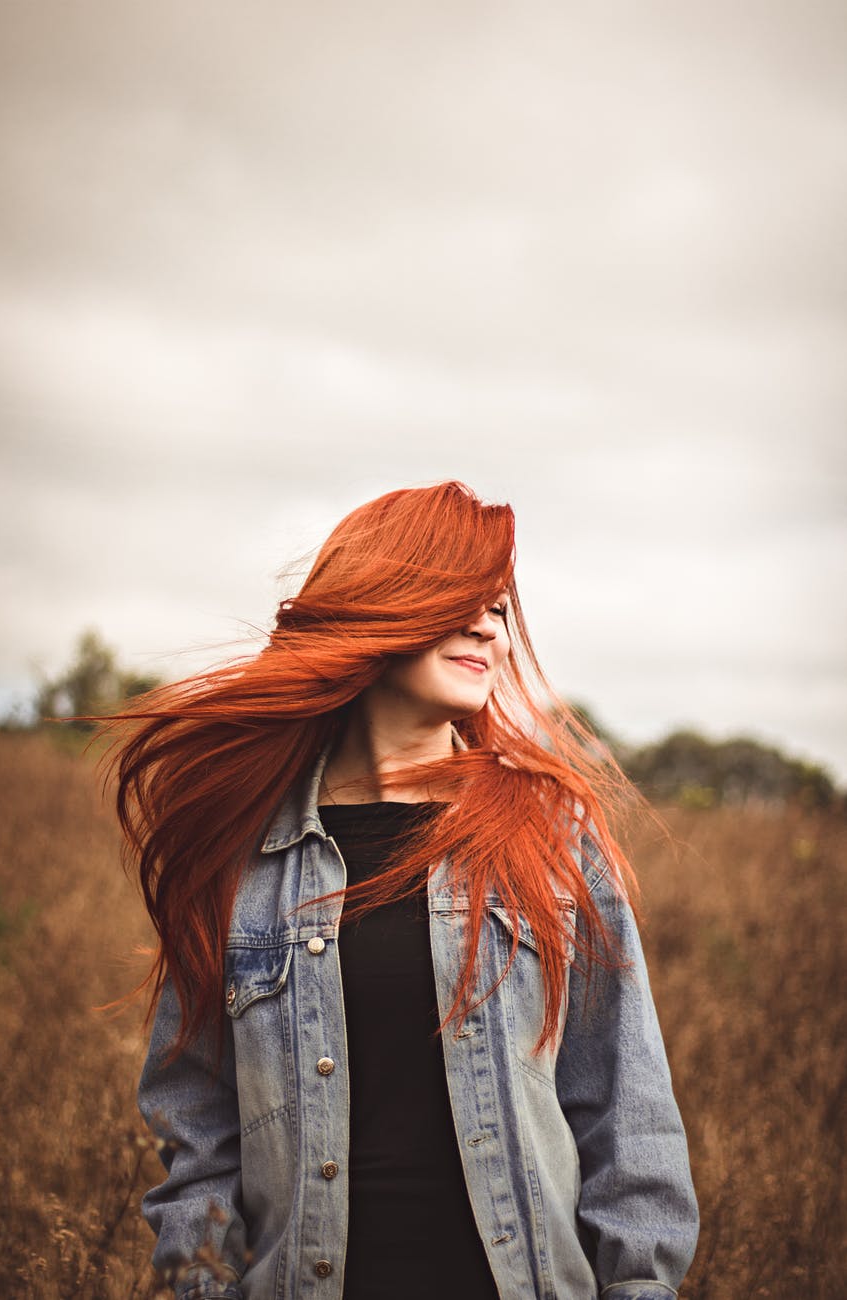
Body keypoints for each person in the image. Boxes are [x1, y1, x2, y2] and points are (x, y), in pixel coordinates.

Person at [112, 481, 699, 1300]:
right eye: (460, 599)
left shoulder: (550, 833)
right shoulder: (241, 855)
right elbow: (197, 1132)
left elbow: (625, 1116)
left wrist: (638, 1286)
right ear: (380, 603)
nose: (486, 628)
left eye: (497, 608)